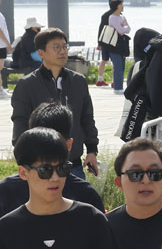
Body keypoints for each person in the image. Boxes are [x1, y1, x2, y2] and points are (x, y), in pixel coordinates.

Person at [9, 29, 100, 173]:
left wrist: (92, 151)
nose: (62, 51)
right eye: (56, 47)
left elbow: (87, 119)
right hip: (41, 168)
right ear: (41, 53)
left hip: (74, 165)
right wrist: (25, 161)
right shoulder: (26, 85)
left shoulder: (78, 81)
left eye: (64, 46)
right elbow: (20, 125)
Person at [98, 0, 133, 93]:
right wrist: (123, 26)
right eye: (121, 4)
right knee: (117, 65)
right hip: (114, 44)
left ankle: (119, 86)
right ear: (116, 6)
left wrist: (123, 26)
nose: (122, 6)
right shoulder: (112, 17)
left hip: (121, 44)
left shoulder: (122, 16)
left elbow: (128, 29)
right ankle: (117, 88)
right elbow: (121, 30)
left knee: (121, 66)